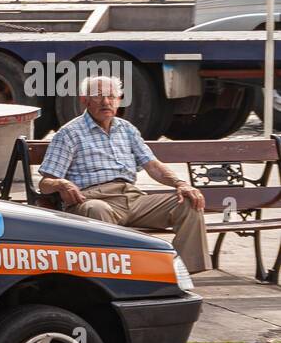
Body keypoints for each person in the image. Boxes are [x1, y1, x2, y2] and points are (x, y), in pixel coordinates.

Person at [39, 75, 210, 273]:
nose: (106, 102)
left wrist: (181, 183)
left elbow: (152, 165)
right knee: (97, 210)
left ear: (119, 100)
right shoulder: (69, 133)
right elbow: (45, 182)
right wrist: (62, 184)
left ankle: (183, 274)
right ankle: (115, 275)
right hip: (93, 198)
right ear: (84, 100)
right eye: (98, 96)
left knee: (189, 202)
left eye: (111, 96)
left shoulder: (127, 129)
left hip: (132, 198)